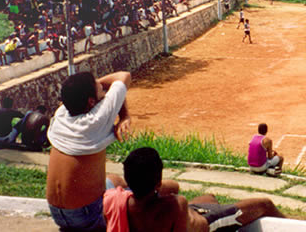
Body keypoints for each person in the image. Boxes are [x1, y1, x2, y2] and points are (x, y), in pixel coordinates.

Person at [104, 147, 285, 232]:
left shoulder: (113, 199)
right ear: (157, 183)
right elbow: (174, 187)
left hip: (191, 213)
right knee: (265, 204)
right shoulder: (175, 205)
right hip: (206, 225)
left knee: (209, 197)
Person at [47, 71, 132, 232]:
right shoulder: (97, 119)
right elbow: (123, 76)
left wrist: (86, 87)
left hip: (56, 212)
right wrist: (125, 116)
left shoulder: (61, 113)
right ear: (91, 101)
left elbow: (115, 91)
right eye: (100, 88)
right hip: (87, 215)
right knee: (149, 196)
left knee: (114, 180)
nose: (103, 88)